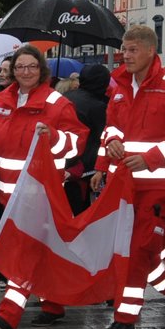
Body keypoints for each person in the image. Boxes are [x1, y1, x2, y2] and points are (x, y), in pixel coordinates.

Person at [0, 45, 86, 329]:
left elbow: (77, 143)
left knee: (24, 254)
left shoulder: (57, 102)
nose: (25, 72)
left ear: (41, 70)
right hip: (8, 197)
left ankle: (8, 315)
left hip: (41, 196)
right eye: (20, 67)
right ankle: (53, 305)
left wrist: (54, 138)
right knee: (41, 252)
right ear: (12, 70)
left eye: (31, 67)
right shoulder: (1, 101)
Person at [90, 25, 165, 329]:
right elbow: (110, 128)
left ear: (151, 51)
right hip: (123, 183)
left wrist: (150, 158)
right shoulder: (120, 85)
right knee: (143, 249)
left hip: (156, 184)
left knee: (136, 250)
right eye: (124, 49)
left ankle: (125, 321)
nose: (126, 55)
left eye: (133, 49)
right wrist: (106, 158)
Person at [62, 62, 110, 215]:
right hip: (83, 169)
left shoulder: (65, 97)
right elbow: (99, 139)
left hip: (62, 162)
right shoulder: (98, 106)